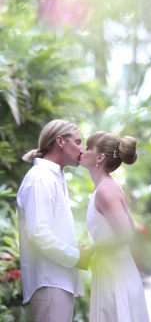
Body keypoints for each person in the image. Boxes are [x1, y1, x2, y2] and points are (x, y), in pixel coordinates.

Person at [17, 119, 93, 322]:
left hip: (57, 281)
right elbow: (38, 233)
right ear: (60, 141)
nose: (82, 149)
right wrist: (75, 256)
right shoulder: (40, 178)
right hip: (49, 282)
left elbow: (49, 229)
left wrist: (74, 248)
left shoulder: (54, 176)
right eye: (78, 142)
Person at [79, 131, 150, 322]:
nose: (82, 151)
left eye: (87, 147)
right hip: (111, 270)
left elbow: (126, 234)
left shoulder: (106, 190)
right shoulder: (104, 187)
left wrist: (93, 248)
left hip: (115, 274)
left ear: (100, 157)